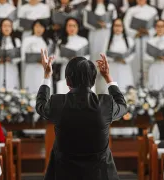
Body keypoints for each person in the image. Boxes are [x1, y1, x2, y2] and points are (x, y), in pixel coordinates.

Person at [36, 51, 127, 180]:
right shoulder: (106, 104)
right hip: (101, 175)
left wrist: (47, 76)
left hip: (64, 174)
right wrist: (108, 78)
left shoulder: (57, 103)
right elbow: (123, 105)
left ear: (67, 81)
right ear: (93, 80)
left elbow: (40, 105)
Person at [124, 0, 158, 86]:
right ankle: (134, 86)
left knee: (148, 62)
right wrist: (135, 32)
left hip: (149, 40)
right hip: (136, 39)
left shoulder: (152, 10)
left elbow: (157, 25)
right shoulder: (131, 10)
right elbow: (126, 25)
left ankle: (148, 87)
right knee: (135, 63)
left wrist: (149, 31)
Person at [54, 17, 89, 93]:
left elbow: (87, 57)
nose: (72, 28)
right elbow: (56, 58)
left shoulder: (83, 41)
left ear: (78, 27)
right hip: (66, 69)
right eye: (69, 26)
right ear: (66, 27)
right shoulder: (61, 41)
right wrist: (67, 59)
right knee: (66, 91)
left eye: (74, 26)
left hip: (80, 71)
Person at [21, 19, 53, 93]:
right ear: (33, 28)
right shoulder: (27, 39)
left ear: (44, 29)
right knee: (32, 90)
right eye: (37, 26)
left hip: (44, 70)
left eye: (41, 27)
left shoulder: (49, 41)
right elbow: (23, 56)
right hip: (31, 69)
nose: (39, 29)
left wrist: (47, 61)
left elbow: (52, 56)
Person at [0, 18, 21, 91]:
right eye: (4, 26)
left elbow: (19, 57)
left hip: (11, 68)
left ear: (12, 28)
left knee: (12, 88)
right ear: (1, 28)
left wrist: (11, 59)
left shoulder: (16, 41)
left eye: (9, 26)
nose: (6, 28)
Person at [107, 18, 135, 92]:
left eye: (120, 26)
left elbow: (132, 54)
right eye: (115, 25)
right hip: (113, 68)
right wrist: (114, 59)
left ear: (123, 27)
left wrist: (125, 60)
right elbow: (104, 54)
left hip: (125, 68)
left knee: (125, 90)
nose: (117, 28)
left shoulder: (129, 40)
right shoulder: (108, 40)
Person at [147, 20, 164, 91]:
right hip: (154, 67)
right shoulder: (151, 41)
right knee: (154, 88)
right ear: (155, 28)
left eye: (162, 26)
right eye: (158, 26)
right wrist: (155, 58)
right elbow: (146, 56)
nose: (160, 28)